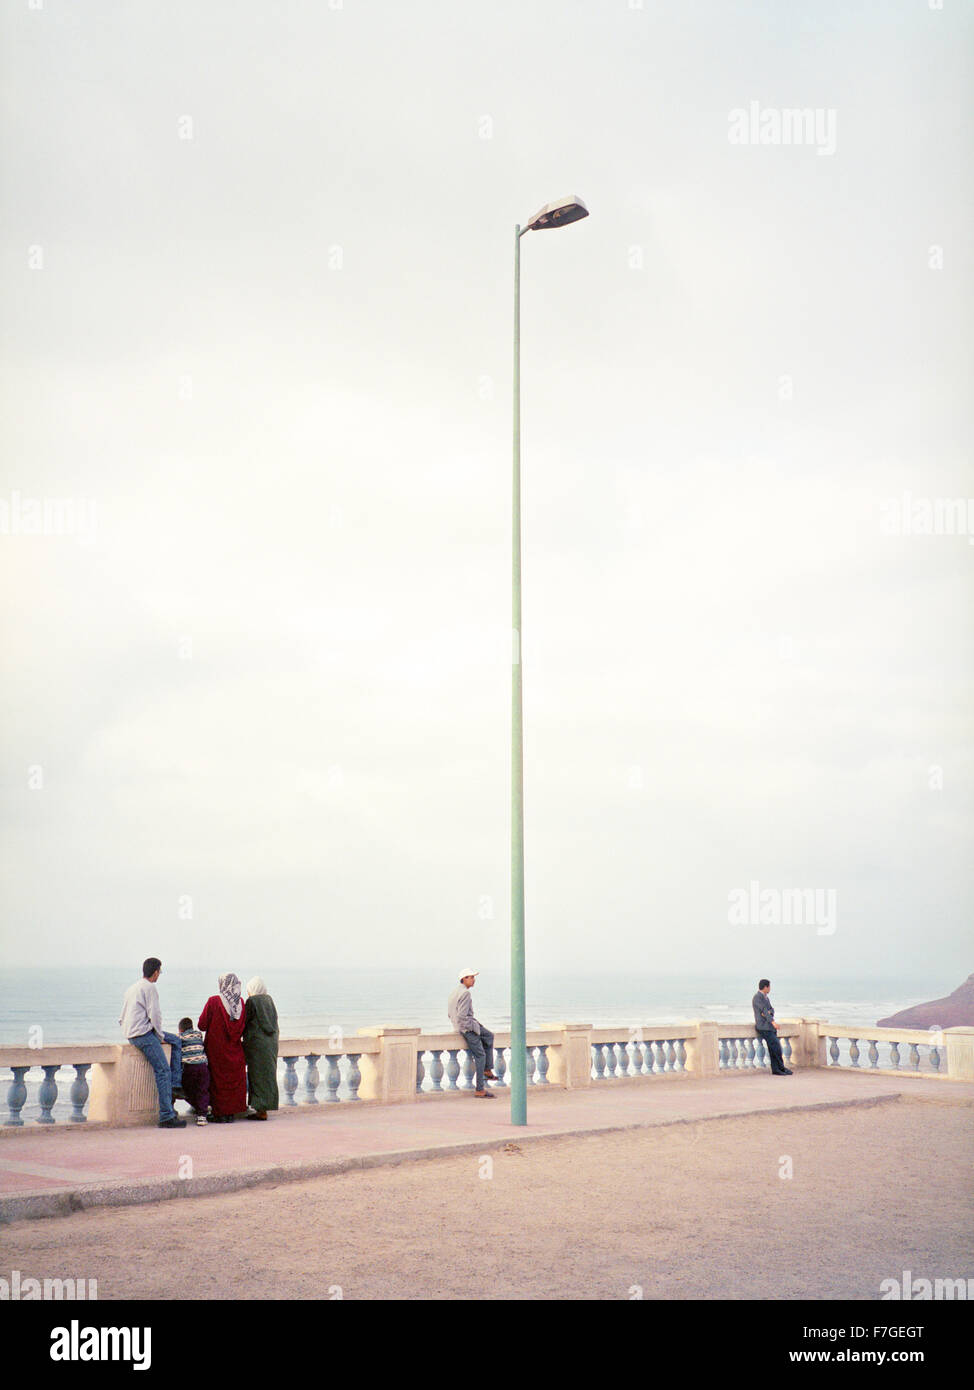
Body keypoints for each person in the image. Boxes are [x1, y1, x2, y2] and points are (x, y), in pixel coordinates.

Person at [119, 957, 186, 1128]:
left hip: (131, 1033)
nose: (159, 975)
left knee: (176, 1041)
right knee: (163, 1070)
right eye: (160, 972)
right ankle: (166, 1115)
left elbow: (121, 1017)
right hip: (144, 1033)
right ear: (155, 972)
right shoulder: (150, 988)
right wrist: (159, 1035)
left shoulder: (132, 988)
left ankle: (176, 1084)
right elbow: (155, 1015)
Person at [198, 973, 248, 1121]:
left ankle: (219, 1114)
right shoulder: (240, 1004)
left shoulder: (214, 1001)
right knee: (232, 1082)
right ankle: (230, 1114)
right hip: (236, 1050)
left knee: (217, 1082)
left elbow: (202, 1025)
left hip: (216, 1050)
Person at [447, 969, 496, 1098]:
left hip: (464, 1025)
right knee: (480, 1055)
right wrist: (472, 1028)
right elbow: (462, 1016)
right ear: (463, 979)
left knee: (489, 1036)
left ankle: (487, 1069)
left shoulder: (454, 992)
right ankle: (480, 1089)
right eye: (470, 977)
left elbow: (450, 1014)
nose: (473, 980)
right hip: (466, 1029)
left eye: (473, 977)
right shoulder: (465, 993)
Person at [243, 976, 280, 1120]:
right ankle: (263, 1108)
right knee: (268, 1075)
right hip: (271, 1043)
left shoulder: (252, 1002)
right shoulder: (269, 1000)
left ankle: (261, 1111)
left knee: (257, 1076)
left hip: (257, 1045)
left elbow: (245, 1022)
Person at [752, 978, 792, 1075]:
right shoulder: (757, 997)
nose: (770, 989)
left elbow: (771, 1010)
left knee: (774, 1048)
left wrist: (769, 1013)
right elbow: (764, 1011)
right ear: (765, 987)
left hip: (769, 1027)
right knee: (776, 1047)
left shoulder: (766, 997)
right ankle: (779, 1068)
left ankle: (778, 1068)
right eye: (769, 987)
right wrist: (773, 1021)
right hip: (763, 1027)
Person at [178, 1016, 210, 1125]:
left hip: (189, 1067)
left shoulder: (181, 1037)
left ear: (180, 1029)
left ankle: (198, 1107)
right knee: (203, 1089)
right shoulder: (198, 1034)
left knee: (187, 1090)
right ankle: (202, 1114)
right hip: (202, 1066)